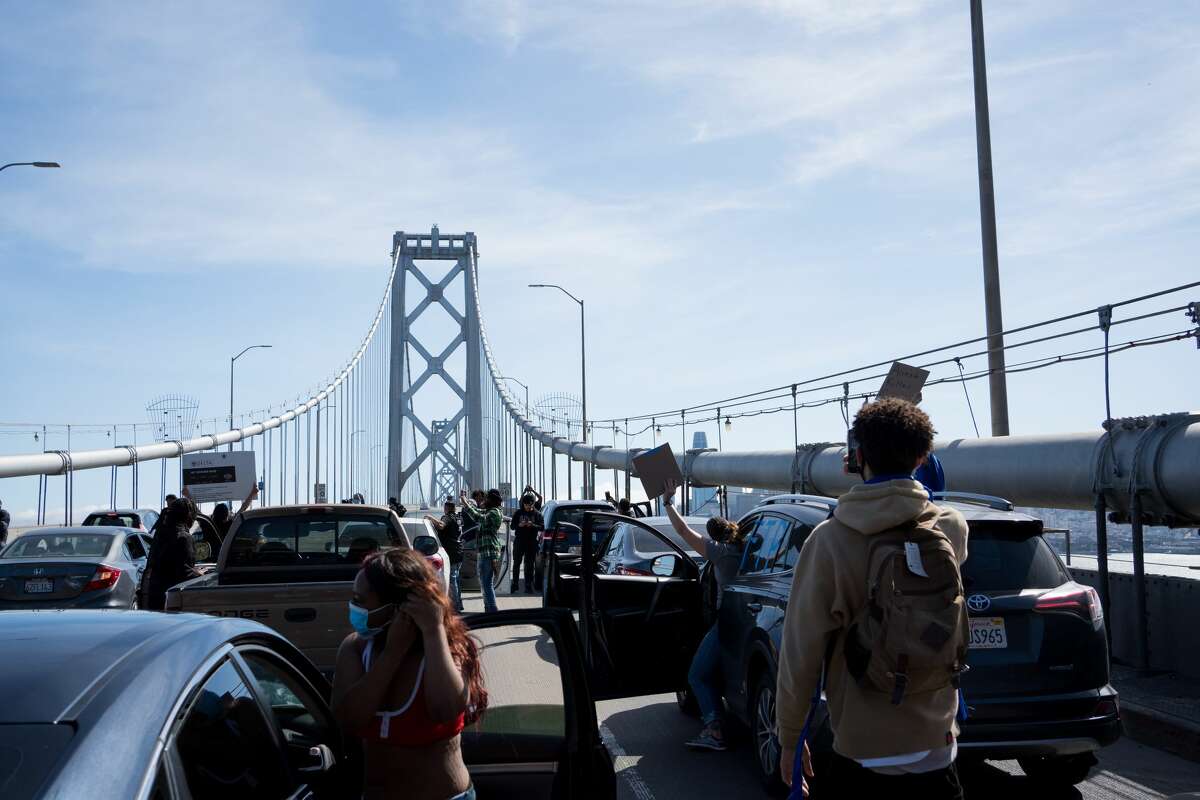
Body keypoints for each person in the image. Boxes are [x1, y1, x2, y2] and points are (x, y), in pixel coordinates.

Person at [776, 398, 969, 798]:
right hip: (938, 747)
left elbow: (801, 653)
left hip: (864, 752)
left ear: (857, 456)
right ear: (922, 457)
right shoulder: (950, 528)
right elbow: (932, 501)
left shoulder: (829, 541)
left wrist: (791, 738)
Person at [332, 548, 487, 800]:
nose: (353, 607)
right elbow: (349, 719)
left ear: (398, 607)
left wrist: (433, 630)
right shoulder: (355, 648)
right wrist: (393, 653)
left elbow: (445, 711)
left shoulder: (448, 649)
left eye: (361, 600)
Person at [661, 478, 745, 751]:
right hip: (746, 620)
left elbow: (684, 531)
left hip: (727, 622)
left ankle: (714, 729)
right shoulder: (745, 550)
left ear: (715, 537)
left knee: (697, 674)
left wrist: (668, 502)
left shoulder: (721, 554)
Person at [145, 497, 202, 611]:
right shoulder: (184, 538)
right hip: (174, 600)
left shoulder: (160, 535)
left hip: (155, 597)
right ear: (188, 516)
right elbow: (183, 572)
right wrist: (200, 575)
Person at [461, 488, 504, 613]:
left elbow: (478, 517)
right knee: (484, 583)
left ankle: (493, 610)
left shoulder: (495, 512)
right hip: (484, 552)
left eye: (487, 498)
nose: (484, 500)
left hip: (489, 552)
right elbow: (477, 511)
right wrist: (466, 503)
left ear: (492, 500)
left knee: (487, 583)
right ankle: (488, 608)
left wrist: (465, 502)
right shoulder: (490, 511)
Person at [425, 500, 465, 612]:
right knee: (456, 579)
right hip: (459, 551)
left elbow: (441, 525)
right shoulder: (459, 518)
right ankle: (459, 604)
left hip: (451, 552)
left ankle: (455, 607)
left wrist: (430, 517)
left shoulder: (447, 517)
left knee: (452, 580)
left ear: (446, 508)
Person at [508, 493, 543, 594]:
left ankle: (528, 585)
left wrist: (532, 525)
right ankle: (515, 584)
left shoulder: (537, 514)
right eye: (526, 505)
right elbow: (512, 526)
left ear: (533, 504)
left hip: (531, 542)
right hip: (519, 541)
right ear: (523, 504)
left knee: (529, 565)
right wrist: (519, 524)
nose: (528, 507)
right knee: (516, 563)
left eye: (530, 505)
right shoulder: (518, 513)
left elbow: (542, 527)